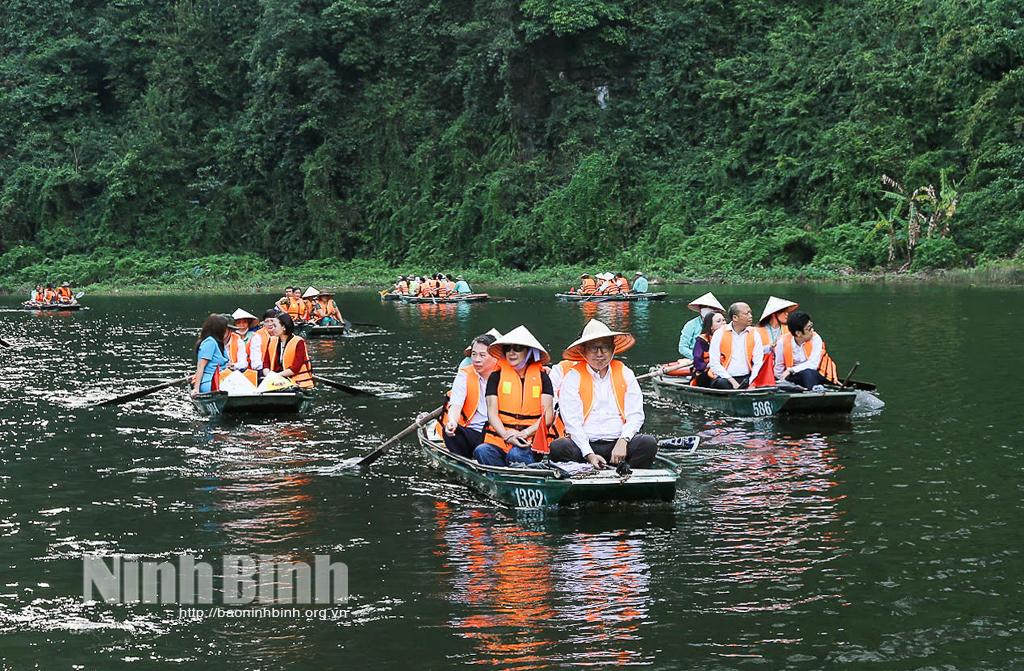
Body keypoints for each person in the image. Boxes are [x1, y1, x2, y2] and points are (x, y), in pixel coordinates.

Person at [548, 320, 657, 469]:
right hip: (585, 445)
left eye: (605, 347)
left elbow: (636, 415)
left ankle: (629, 477)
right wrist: (589, 454)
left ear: (612, 349)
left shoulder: (625, 373)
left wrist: (623, 441)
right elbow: (572, 423)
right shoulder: (573, 377)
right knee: (558, 448)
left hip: (619, 444)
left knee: (647, 443)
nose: (599, 354)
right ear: (584, 351)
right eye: (593, 348)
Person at [475, 326, 556, 466]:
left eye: (517, 348)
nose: (511, 353)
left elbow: (548, 417)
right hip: (502, 438)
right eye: (508, 349)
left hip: (530, 440)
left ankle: (523, 477)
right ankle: (500, 481)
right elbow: (492, 414)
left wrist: (524, 434)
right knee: (482, 451)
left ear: (529, 352)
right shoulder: (496, 377)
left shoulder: (543, 378)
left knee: (516, 454)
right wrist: (506, 435)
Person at [443, 332, 500, 458]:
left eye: (482, 355)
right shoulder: (465, 374)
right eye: (474, 354)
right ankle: (466, 463)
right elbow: (456, 405)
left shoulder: (505, 375)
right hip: (473, 432)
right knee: (450, 433)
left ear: (495, 357)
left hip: (498, 433)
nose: (476, 359)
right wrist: (452, 421)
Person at [774, 312, 839, 389]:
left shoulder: (816, 338)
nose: (812, 330)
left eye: (811, 326)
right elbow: (779, 368)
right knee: (787, 380)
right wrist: (782, 379)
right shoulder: (782, 342)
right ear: (798, 333)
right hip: (797, 375)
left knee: (807, 373)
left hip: (819, 374)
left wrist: (791, 370)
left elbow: (813, 364)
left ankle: (812, 395)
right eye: (809, 328)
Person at [707, 302, 764, 389]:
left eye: (750, 313)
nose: (750, 316)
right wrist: (732, 381)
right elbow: (714, 363)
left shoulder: (755, 334)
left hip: (747, 377)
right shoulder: (719, 333)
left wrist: (752, 382)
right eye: (746, 313)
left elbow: (758, 362)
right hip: (725, 378)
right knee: (722, 384)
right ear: (735, 317)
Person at [263, 313, 314, 388]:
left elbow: (295, 368)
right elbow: (266, 363)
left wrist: (276, 376)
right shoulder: (272, 340)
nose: (272, 328)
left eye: (275, 326)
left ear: (284, 327)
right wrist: (268, 375)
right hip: (276, 380)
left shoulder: (299, 342)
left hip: (297, 382)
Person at [192, 314, 231, 395]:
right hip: (211, 382)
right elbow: (201, 366)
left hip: (223, 378)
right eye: (225, 328)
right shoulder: (210, 342)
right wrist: (196, 389)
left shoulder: (219, 343)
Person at [678, 292, 725, 359]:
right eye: (704, 307)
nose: (707, 309)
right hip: (695, 358)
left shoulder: (720, 324)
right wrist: (698, 357)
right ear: (700, 309)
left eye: (710, 307)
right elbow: (683, 348)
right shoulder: (691, 325)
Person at [691, 310, 726, 387]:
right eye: (719, 321)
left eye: (724, 320)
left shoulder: (730, 337)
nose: (723, 323)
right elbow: (697, 362)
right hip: (706, 372)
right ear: (711, 326)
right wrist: (710, 365)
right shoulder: (702, 340)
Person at [232, 308, 264, 381]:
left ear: (248, 323)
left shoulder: (254, 336)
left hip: (251, 371)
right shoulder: (231, 337)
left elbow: (256, 358)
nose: (242, 325)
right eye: (238, 322)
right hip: (233, 370)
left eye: (245, 322)